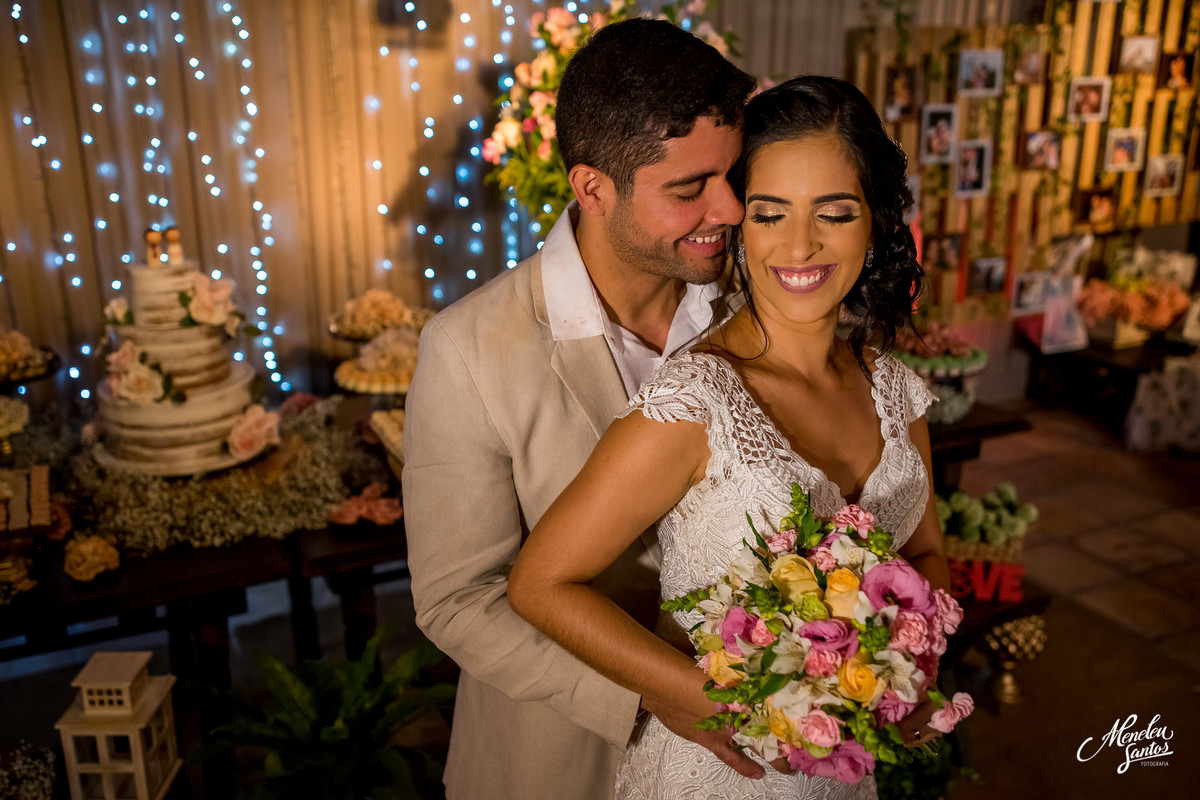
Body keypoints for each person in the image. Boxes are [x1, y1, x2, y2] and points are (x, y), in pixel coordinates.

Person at [509, 75, 950, 799]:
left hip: (842, 779)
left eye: (834, 213)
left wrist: (902, 671)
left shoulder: (895, 390)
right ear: (739, 226)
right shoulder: (696, 402)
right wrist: (691, 694)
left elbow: (925, 554)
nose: (800, 245)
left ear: (874, 222)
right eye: (770, 214)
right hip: (715, 773)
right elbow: (540, 584)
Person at [401, 18, 757, 800]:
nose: (731, 209)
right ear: (593, 188)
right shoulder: (467, 348)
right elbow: (459, 600)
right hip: (558, 761)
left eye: (732, 174)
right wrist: (652, 693)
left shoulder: (757, 306)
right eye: (689, 189)